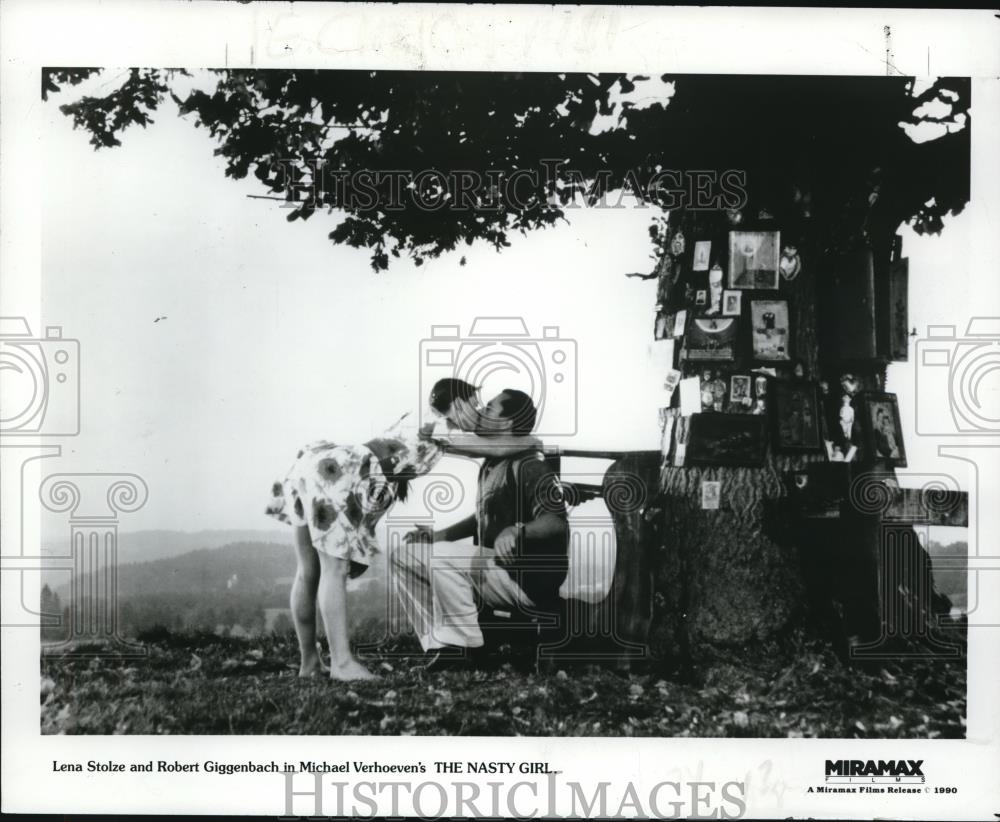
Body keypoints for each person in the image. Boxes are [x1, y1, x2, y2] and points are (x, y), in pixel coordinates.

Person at [265, 378, 541, 681]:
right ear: (457, 405)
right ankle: (342, 664)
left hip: (317, 465)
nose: (477, 413)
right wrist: (533, 442)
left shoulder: (423, 421)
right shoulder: (438, 425)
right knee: (335, 569)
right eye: (474, 405)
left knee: (308, 571)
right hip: (339, 475)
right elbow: (495, 448)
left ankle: (309, 663)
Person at [393, 389, 570, 670]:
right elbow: (483, 515)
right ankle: (442, 645)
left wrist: (516, 531)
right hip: (495, 569)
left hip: (527, 580)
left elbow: (556, 522)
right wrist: (437, 536)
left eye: (489, 408)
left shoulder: (530, 465)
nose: (481, 412)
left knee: (440, 556)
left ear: (507, 422)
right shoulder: (492, 462)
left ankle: (463, 649)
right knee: (404, 556)